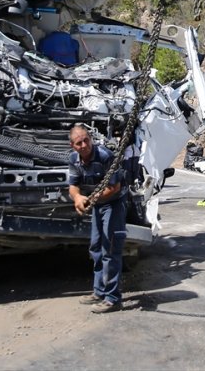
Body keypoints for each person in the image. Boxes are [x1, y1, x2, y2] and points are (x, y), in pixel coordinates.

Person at [67, 125, 126, 314]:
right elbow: (73, 187)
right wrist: (77, 198)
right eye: (79, 143)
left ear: (91, 139)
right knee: (95, 247)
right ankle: (99, 291)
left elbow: (113, 188)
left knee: (110, 248)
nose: (84, 145)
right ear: (72, 145)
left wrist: (89, 200)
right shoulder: (74, 160)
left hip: (113, 204)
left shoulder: (105, 156)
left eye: (86, 140)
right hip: (98, 204)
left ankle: (112, 298)